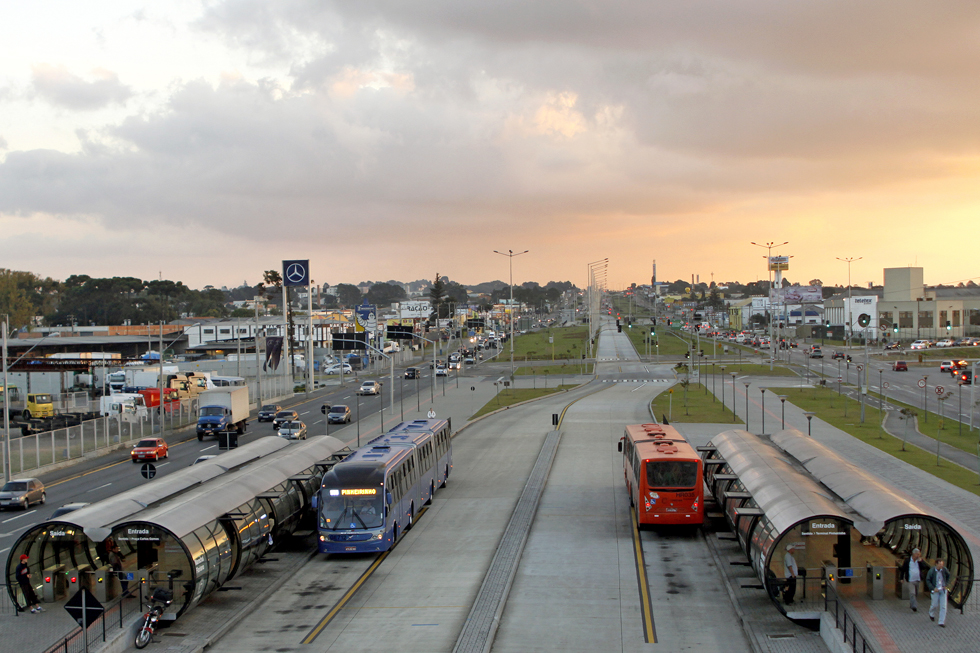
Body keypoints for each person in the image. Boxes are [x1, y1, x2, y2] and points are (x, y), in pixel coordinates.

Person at [926, 558, 951, 627]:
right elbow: (928, 580)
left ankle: (941, 622)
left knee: (943, 607)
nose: (941, 566)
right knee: (934, 604)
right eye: (940, 564)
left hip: (943, 589)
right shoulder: (932, 571)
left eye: (942, 564)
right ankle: (931, 613)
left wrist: (946, 584)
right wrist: (933, 588)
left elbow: (948, 576)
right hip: (935, 590)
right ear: (936, 564)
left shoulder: (944, 570)